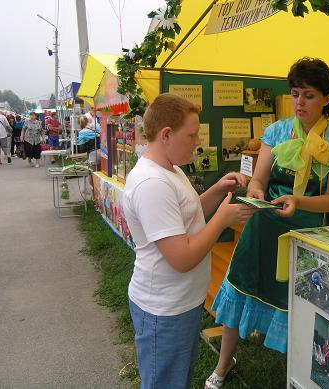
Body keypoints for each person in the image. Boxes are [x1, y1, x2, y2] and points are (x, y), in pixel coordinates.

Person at [206, 57, 329, 389]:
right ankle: (224, 362)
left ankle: (301, 375)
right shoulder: (275, 131)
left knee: (305, 304)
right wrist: (257, 192)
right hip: (265, 226)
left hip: (309, 232)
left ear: (328, 98)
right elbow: (258, 180)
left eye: (309, 96)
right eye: (295, 94)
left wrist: (298, 201)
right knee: (240, 286)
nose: (299, 102)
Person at [122, 93, 258, 389]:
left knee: (175, 379)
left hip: (178, 304)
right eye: (192, 135)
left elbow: (186, 213)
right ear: (166, 134)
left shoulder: (169, 168)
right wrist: (222, 218)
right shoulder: (152, 184)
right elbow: (182, 258)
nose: (197, 141)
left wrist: (217, 189)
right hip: (164, 309)